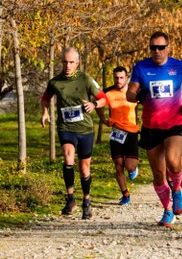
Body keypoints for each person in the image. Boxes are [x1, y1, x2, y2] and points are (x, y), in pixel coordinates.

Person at [127, 31, 182, 227]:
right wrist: (137, 94)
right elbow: (130, 93)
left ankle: (177, 188)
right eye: (153, 47)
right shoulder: (141, 67)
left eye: (161, 47)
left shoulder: (179, 66)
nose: (157, 51)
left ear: (168, 48)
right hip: (151, 127)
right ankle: (168, 210)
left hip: (174, 124)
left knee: (173, 163)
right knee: (158, 174)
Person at [40, 47, 104, 220]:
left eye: (71, 63)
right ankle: (70, 199)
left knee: (84, 169)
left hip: (85, 129)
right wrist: (45, 111)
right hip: (66, 127)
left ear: (77, 63)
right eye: (65, 62)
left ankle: (86, 201)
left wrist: (94, 105)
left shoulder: (86, 79)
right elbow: (46, 97)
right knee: (68, 158)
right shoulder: (55, 82)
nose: (67, 66)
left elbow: (103, 98)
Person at [97, 66, 140, 206]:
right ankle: (125, 194)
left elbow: (147, 102)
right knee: (118, 165)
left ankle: (133, 169)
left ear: (127, 78)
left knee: (129, 166)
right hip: (116, 133)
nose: (118, 80)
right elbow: (97, 103)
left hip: (132, 132)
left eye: (121, 77)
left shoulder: (133, 92)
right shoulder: (108, 93)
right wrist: (103, 119)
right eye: (116, 77)